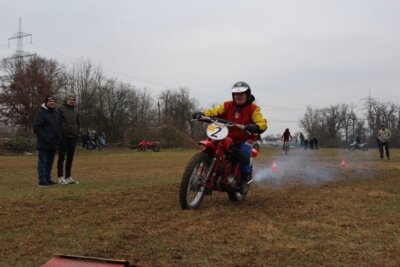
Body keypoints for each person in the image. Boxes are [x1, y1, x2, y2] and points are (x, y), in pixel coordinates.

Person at [192, 81, 267, 194]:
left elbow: (262, 123)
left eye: (242, 94)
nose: (239, 96)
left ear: (247, 95)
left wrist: (255, 126)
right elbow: (214, 111)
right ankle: (208, 175)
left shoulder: (253, 109)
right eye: (236, 94)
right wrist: (203, 114)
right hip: (226, 135)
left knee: (244, 152)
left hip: (245, 138)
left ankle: (243, 180)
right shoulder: (227, 105)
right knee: (214, 145)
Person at [33, 96, 60, 187]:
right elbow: (37, 127)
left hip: (53, 142)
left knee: (50, 162)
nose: (52, 102)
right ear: (46, 102)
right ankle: (42, 180)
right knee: (43, 161)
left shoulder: (56, 113)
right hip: (44, 142)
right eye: (50, 101)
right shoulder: (41, 112)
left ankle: (48, 178)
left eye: (53, 101)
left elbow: (57, 127)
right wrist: (45, 138)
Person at [57, 93, 80, 184]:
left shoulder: (76, 111)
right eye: (70, 99)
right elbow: (57, 122)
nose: (72, 101)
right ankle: (60, 177)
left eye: (73, 100)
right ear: (66, 100)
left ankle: (68, 176)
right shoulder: (60, 109)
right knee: (61, 157)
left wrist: (77, 133)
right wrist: (59, 135)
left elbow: (78, 123)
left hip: (73, 137)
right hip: (63, 136)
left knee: (70, 158)